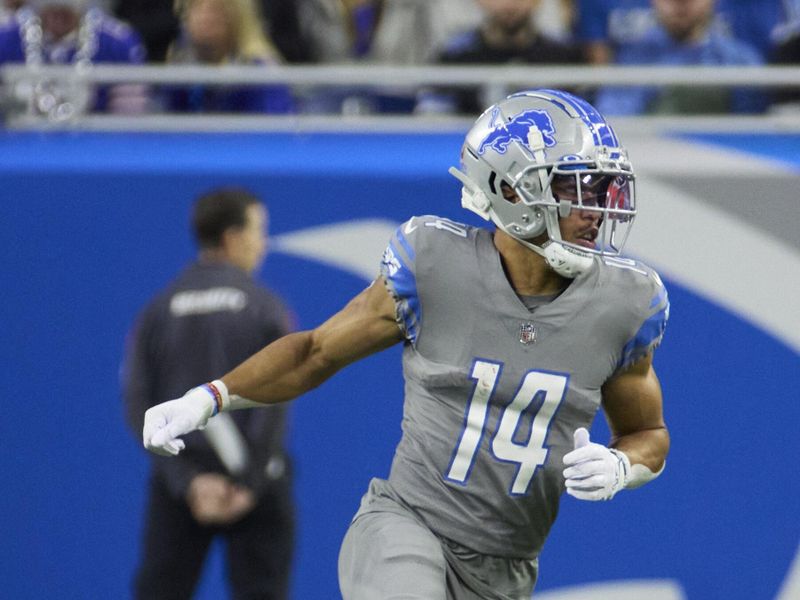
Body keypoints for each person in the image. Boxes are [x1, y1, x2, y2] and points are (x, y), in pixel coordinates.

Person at [141, 89, 671, 599]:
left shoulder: (625, 301)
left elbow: (647, 432)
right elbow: (315, 352)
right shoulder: (436, 265)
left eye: (602, 190)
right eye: (575, 188)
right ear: (510, 190)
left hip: (506, 567)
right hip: (407, 525)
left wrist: (622, 467)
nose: (596, 209)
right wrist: (208, 398)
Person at [123, 187, 295, 600]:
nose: (264, 243)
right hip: (256, 487)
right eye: (259, 231)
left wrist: (189, 482)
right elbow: (280, 392)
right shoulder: (266, 306)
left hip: (180, 489)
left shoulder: (156, 311)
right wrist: (249, 483)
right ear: (232, 237)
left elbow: (137, 402)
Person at [593, 0, 766, 115]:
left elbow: (753, 133)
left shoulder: (742, 60)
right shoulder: (631, 59)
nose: (680, 5)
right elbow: (615, 119)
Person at [416, 0, 584, 116]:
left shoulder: (564, 54)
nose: (509, 5)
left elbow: (584, 119)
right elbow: (432, 121)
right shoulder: (454, 55)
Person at [0, 0, 148, 119]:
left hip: (97, 147)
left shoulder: (117, 42)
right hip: (19, 145)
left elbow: (128, 123)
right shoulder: (6, 38)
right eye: (51, 10)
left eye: (65, 12)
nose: (57, 19)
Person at [162, 0, 294, 114]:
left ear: (236, 19)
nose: (205, 19)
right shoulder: (180, 69)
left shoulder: (260, 72)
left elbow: (270, 133)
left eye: (215, 12)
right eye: (198, 9)